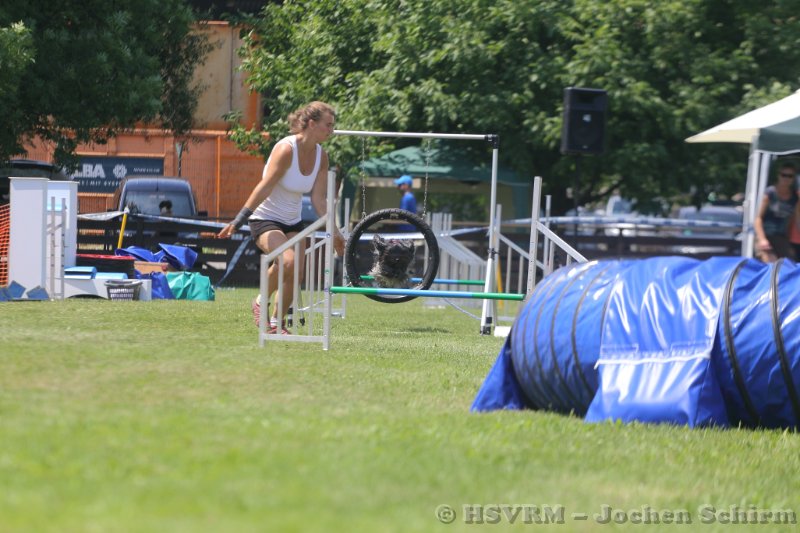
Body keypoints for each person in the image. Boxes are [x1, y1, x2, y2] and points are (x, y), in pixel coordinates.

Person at [217, 101, 345, 333]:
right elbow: (265, 186)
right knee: (288, 261)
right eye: (328, 125)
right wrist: (238, 220)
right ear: (312, 123)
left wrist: (335, 232)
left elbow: (319, 200)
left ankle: (276, 322)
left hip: (293, 221)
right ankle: (262, 304)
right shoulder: (286, 149)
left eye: (332, 125)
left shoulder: (322, 157)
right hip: (265, 219)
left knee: (296, 271)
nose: (331, 130)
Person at [754, 161, 798, 262]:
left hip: (781, 238)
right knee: (770, 262)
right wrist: (762, 239)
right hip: (765, 235)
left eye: (790, 176)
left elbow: (796, 220)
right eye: (783, 175)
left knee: (790, 264)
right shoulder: (770, 193)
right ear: (779, 175)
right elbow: (758, 219)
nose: (786, 178)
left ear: (793, 178)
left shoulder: (795, 197)